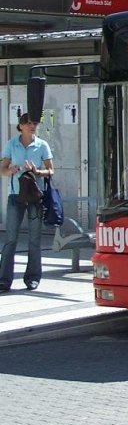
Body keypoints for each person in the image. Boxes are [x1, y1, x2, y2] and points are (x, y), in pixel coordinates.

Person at [0, 113, 55, 292]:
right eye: (28, 123)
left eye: (34, 123)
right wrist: (12, 169)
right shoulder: (11, 144)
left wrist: (37, 171)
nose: (32, 126)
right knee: (11, 239)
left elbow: (51, 171)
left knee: (34, 239)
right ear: (21, 126)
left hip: (34, 196)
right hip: (16, 195)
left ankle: (32, 278)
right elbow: (2, 170)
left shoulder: (42, 145)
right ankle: (4, 280)